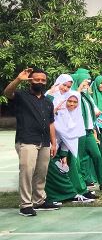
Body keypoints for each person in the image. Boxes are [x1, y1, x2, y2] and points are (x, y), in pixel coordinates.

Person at [4, 68, 58, 216]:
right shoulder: (21, 96)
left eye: (43, 80)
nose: (40, 82)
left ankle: (39, 201)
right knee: (27, 172)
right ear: (30, 81)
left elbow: (51, 123)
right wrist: (18, 79)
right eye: (37, 79)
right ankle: (25, 205)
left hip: (44, 141)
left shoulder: (48, 102)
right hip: (27, 140)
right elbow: (7, 93)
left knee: (41, 173)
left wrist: (54, 143)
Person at [44, 91, 97, 204]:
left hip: (66, 148)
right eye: (69, 101)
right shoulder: (59, 113)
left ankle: (77, 190)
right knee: (58, 171)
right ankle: (67, 194)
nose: (72, 104)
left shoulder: (76, 115)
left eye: (75, 102)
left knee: (70, 168)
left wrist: (64, 154)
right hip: (52, 147)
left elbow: (70, 135)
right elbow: (59, 133)